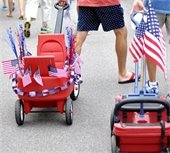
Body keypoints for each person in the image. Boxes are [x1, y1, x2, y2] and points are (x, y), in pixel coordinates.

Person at [58, 0, 141, 84]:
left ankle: (71, 73)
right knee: (121, 32)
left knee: (79, 36)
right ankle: (123, 74)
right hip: (107, 3)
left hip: (85, 3)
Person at [132, 0, 170, 94]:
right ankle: (152, 84)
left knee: (151, 42)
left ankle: (152, 85)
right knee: (151, 43)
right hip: (153, 6)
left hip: (154, 6)